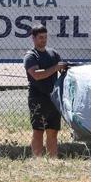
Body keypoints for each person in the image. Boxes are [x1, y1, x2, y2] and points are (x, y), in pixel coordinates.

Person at [24, 25, 67, 158]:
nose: (43, 40)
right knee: (38, 130)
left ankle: (53, 160)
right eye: (40, 37)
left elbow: (62, 70)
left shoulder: (53, 54)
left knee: (53, 131)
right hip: (37, 98)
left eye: (45, 37)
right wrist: (55, 68)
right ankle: (38, 161)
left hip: (53, 98)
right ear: (33, 38)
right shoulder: (31, 56)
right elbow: (36, 74)